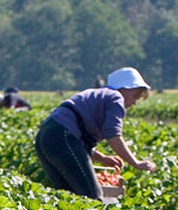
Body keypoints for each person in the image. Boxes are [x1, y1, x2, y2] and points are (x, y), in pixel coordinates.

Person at [33, 67, 156, 200]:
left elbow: (77, 140)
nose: (133, 103)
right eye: (135, 96)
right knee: (92, 197)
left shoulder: (99, 95)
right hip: (62, 136)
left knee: (67, 195)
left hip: (45, 136)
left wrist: (102, 158)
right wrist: (136, 163)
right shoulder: (115, 97)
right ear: (123, 88)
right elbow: (113, 136)